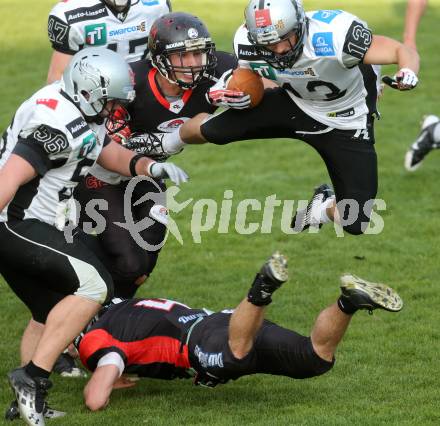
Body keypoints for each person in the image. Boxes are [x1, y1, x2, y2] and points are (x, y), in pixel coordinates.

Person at [0, 47, 188, 426]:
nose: (114, 111)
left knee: (48, 311)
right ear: (89, 92)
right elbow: (9, 178)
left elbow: (103, 151)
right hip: (16, 223)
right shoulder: (56, 125)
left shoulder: (77, 109)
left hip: (33, 222)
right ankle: (32, 376)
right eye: (110, 102)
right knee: (94, 283)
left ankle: (24, 403)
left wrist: (148, 166)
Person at [147, 0, 419, 236]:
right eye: (268, 43)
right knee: (216, 131)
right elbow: (253, 79)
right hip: (296, 104)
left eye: (283, 39)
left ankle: (321, 208)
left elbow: (400, 51)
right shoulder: (247, 41)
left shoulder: (335, 34)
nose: (277, 50)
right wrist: (231, 87)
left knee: (355, 220)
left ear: (300, 25)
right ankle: (163, 142)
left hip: (347, 120)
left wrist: (407, 72)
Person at [75, 251, 403, 411]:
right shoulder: (122, 308)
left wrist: (101, 375)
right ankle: (349, 301)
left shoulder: (95, 337)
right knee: (314, 359)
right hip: (225, 322)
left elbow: (95, 399)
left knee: (233, 356)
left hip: (207, 338)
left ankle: (262, 288)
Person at [75, 12, 239, 298]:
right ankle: (79, 299)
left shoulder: (217, 70)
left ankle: (107, 315)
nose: (193, 64)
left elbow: (263, 79)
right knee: (127, 262)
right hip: (101, 175)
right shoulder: (128, 84)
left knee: (143, 263)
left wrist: (253, 92)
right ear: (160, 59)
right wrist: (178, 138)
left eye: (198, 53)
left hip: (149, 175)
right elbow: (116, 150)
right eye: (182, 57)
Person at [47, 0, 171, 83]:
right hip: (96, 96)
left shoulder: (158, 6)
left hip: (145, 91)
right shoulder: (70, 14)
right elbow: (58, 77)